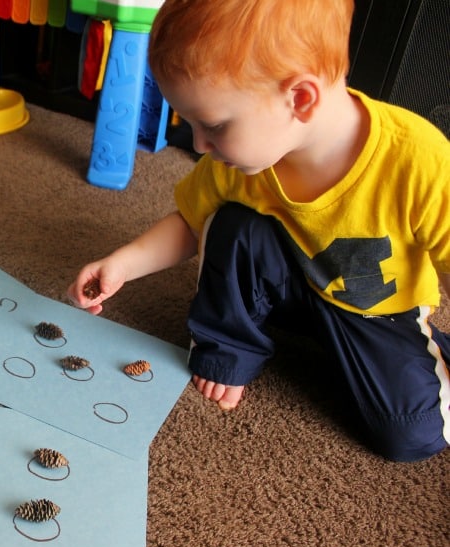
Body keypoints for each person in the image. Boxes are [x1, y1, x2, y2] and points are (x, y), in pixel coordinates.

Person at [67, 0, 450, 462]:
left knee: (410, 437)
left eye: (214, 125)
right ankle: (231, 347)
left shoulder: (418, 159)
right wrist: (122, 264)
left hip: (376, 312)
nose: (201, 145)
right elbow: (191, 222)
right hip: (293, 287)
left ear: (301, 99)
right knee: (231, 224)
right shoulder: (240, 162)